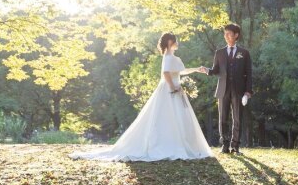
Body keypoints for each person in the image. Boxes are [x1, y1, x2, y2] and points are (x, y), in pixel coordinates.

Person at [69, 33, 213, 161]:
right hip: (169, 90)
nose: (177, 43)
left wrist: (196, 69)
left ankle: (181, 144)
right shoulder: (168, 57)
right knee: (166, 117)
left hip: (176, 89)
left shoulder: (174, 57)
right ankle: (169, 145)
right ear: (170, 43)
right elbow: (166, 73)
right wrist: (173, 87)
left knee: (179, 117)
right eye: (175, 41)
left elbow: (181, 71)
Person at [203, 23, 252, 154]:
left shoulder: (244, 53)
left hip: (239, 91)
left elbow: (249, 74)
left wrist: (247, 92)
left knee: (237, 118)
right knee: (223, 118)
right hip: (223, 90)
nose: (226, 36)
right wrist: (207, 71)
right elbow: (215, 70)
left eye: (229, 33)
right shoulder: (219, 53)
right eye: (225, 33)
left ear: (236, 35)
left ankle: (235, 146)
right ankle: (224, 145)